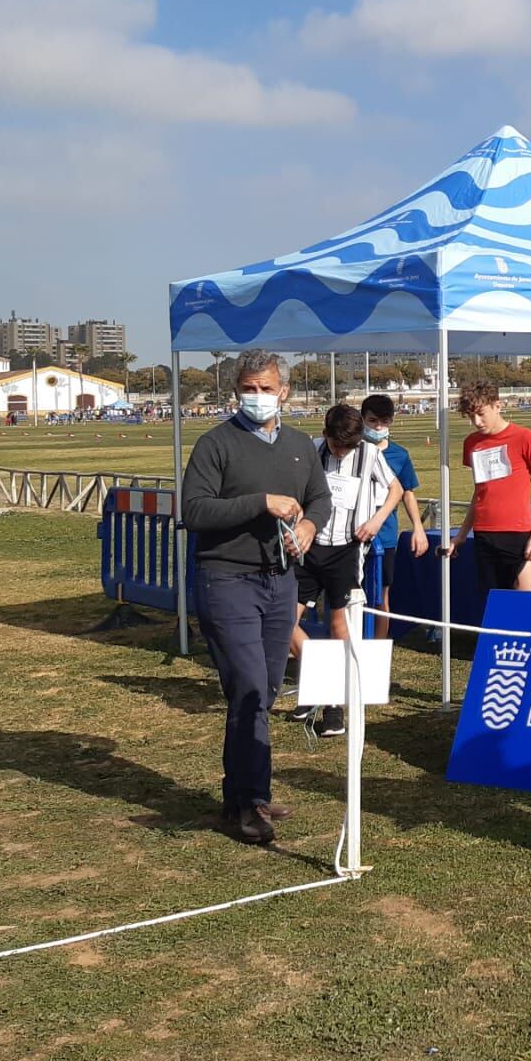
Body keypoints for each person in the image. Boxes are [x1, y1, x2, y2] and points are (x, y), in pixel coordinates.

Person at [179, 349, 328, 845]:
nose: (257, 397)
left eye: (266, 389)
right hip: (226, 580)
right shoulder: (215, 443)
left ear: (284, 391)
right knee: (245, 687)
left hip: (279, 582)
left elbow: (320, 498)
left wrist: (308, 524)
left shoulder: (301, 445)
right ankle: (246, 804)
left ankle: (247, 792)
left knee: (263, 690)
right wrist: (260, 504)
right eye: (249, 388)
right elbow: (194, 511)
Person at [288, 403, 401, 738]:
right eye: (337, 446)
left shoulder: (368, 454)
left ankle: (334, 706)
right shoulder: (311, 450)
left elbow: (395, 489)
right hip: (308, 547)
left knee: (341, 626)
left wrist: (376, 520)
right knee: (281, 622)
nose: (342, 453)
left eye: (349, 447)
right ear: (325, 436)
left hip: (346, 551)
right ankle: (319, 682)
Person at [445, 379, 531, 601]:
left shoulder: (524, 437)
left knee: (524, 598)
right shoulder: (472, 444)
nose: (476, 421)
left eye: (481, 414)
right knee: (492, 600)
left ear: (497, 406)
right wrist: (461, 535)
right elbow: (480, 493)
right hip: (485, 534)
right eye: (470, 416)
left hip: (518, 532)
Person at [359, 392, 428, 641]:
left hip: (385, 536)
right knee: (352, 595)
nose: (378, 427)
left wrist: (418, 528)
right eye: (373, 421)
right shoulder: (352, 449)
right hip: (352, 534)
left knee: (381, 596)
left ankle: (378, 648)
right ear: (362, 419)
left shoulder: (399, 455)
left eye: (384, 422)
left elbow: (408, 493)